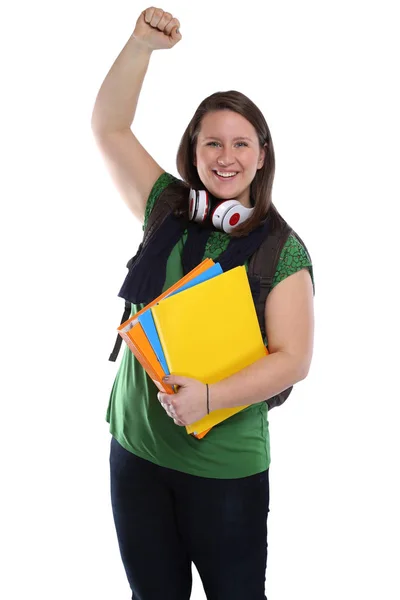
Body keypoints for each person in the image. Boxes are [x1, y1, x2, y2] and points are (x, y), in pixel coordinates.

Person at [91, 7, 315, 600]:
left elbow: (293, 359)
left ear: (262, 155)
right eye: (212, 142)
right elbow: (109, 127)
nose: (226, 156)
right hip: (135, 450)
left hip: (223, 469)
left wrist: (209, 399)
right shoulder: (165, 206)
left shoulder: (281, 250)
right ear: (193, 150)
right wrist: (140, 45)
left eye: (241, 143)